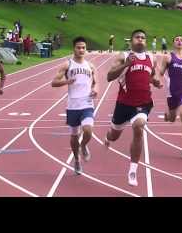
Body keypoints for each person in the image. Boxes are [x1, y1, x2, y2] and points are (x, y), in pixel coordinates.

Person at [104, 29, 162, 186]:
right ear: (131, 41)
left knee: (139, 126)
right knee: (114, 135)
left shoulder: (152, 57)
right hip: (123, 104)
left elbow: (152, 75)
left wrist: (155, 81)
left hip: (143, 103)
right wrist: (127, 64)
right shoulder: (123, 56)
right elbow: (109, 76)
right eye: (137, 37)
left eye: (143, 38)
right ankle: (108, 137)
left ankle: (133, 170)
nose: (141, 40)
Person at [51, 37, 98, 175]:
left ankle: (83, 146)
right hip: (72, 105)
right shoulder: (67, 65)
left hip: (87, 103)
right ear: (74, 48)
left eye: (83, 47)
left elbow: (96, 82)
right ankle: (76, 160)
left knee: (88, 130)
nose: (81, 50)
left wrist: (95, 89)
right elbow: (54, 82)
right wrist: (67, 82)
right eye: (78, 47)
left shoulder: (90, 66)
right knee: (74, 135)